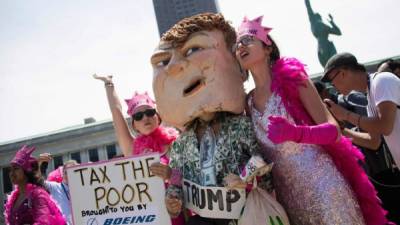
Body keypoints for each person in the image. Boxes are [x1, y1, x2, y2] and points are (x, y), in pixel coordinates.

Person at [234, 16, 388, 225]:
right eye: (237, 43)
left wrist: (296, 133)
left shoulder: (294, 79)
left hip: (325, 189)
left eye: (247, 39)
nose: (240, 45)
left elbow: (334, 132)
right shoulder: (248, 102)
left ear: (267, 47)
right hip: (290, 201)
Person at [151, 13, 273, 225]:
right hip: (204, 219)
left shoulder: (241, 126)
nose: (173, 67)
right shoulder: (181, 144)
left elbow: (264, 166)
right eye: (164, 61)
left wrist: (244, 179)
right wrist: (173, 198)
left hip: (242, 215)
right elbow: (179, 179)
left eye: (194, 49)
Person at [94, 75, 184, 225]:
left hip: (177, 214)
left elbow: (192, 177)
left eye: (149, 112)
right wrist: (109, 84)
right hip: (149, 217)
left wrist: (170, 174)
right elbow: (117, 114)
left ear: (158, 117)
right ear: (134, 124)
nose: (145, 118)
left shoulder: (176, 141)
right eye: (138, 115)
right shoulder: (132, 148)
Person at [321, 52, 400, 223]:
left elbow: (385, 125)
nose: (333, 87)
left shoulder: (382, 80)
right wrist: (342, 131)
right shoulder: (371, 93)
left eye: (332, 80)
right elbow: (373, 142)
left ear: (343, 73)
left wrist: (346, 115)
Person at [4, 145, 66, 225]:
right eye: (10, 170)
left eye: (16, 169)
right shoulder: (14, 198)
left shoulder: (38, 194)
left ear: (26, 171)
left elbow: (44, 221)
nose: (11, 173)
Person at [38, 154, 78, 225]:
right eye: (66, 172)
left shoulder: (82, 190)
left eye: (72, 172)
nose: (69, 175)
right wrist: (40, 165)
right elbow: (38, 182)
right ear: (63, 173)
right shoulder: (55, 187)